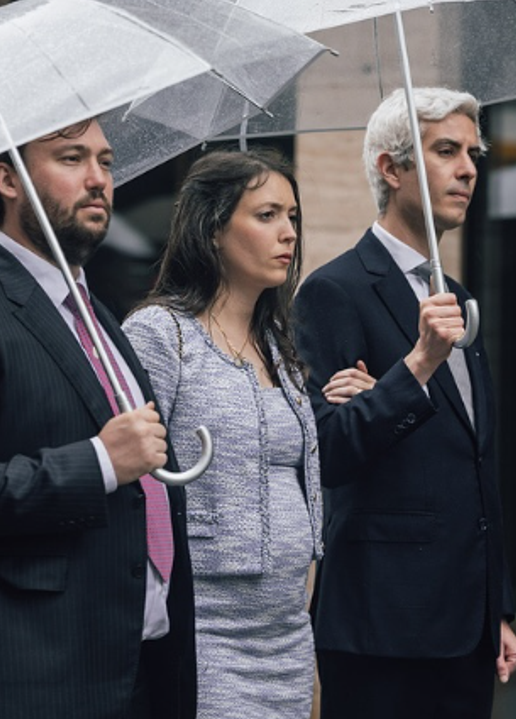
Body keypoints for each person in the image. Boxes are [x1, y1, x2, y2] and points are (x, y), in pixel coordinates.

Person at [0, 118, 196, 719]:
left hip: (134, 662)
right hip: (30, 674)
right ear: (6, 178)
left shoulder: (96, 312)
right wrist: (100, 462)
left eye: (105, 162)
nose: (98, 180)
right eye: (71, 158)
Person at [293, 87, 516, 719]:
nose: (469, 168)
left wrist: (495, 607)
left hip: (466, 630)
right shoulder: (333, 291)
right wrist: (417, 364)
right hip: (384, 625)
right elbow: (325, 453)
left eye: (473, 152)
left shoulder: (456, 294)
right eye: (446, 150)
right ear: (390, 169)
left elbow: (476, 467)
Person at [124, 149, 350, 718]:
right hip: (205, 623)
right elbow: (135, 482)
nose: (288, 233)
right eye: (267, 215)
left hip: (288, 627)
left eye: (293, 217)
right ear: (213, 230)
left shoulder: (280, 342)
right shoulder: (161, 334)